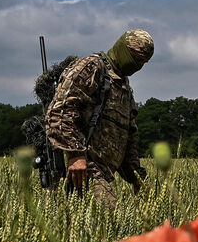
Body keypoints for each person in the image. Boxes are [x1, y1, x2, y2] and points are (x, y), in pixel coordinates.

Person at [45, 29, 153, 206]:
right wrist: (75, 154)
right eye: (135, 57)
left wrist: (137, 178)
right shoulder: (91, 67)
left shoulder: (123, 85)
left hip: (102, 173)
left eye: (143, 62)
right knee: (111, 220)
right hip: (84, 167)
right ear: (122, 49)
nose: (137, 65)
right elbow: (61, 109)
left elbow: (128, 136)